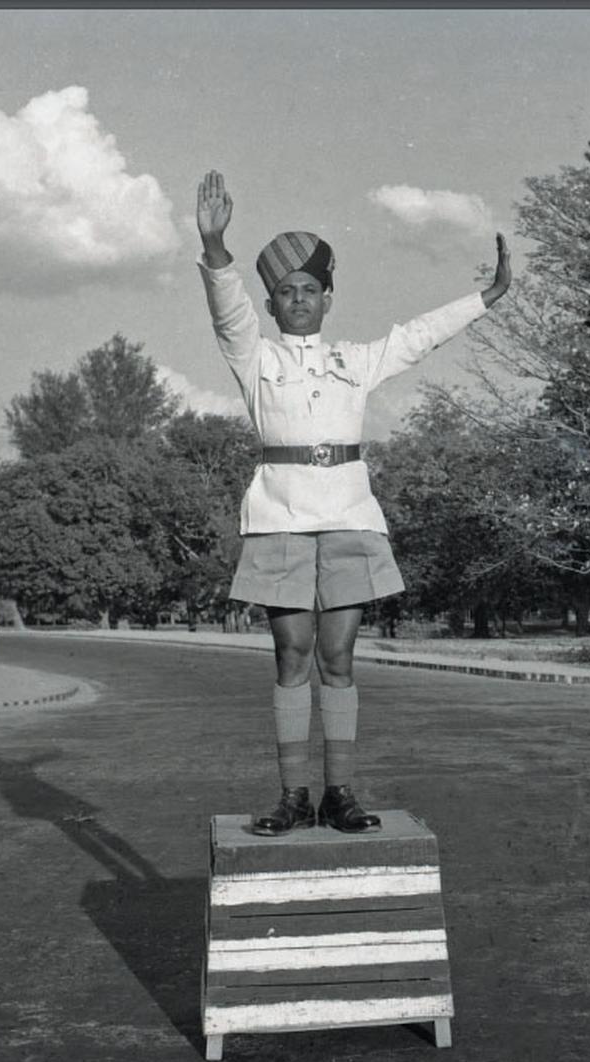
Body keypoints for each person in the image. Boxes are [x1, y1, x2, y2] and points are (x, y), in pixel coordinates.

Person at [196, 169, 511, 836]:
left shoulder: (356, 360)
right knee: (291, 655)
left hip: (349, 519)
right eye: (285, 292)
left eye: (310, 289)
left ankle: (339, 792)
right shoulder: (256, 360)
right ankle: (293, 795)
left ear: (328, 298)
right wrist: (216, 245)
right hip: (279, 518)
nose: (299, 300)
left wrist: (487, 297)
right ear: (273, 304)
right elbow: (227, 310)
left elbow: (419, 336)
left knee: (338, 660)